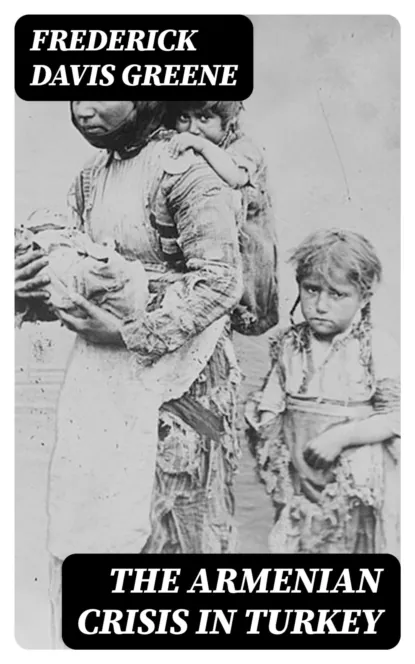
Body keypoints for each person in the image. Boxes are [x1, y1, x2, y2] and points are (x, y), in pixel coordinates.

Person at [15, 101, 244, 646]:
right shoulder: (90, 179)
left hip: (184, 388)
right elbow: (77, 276)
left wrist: (128, 332)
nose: (85, 109)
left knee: (174, 533)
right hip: (105, 382)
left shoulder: (185, 169)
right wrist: (29, 286)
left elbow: (220, 281)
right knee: (99, 526)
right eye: (77, 94)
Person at [245, 229, 400, 555]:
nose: (320, 305)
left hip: (352, 483)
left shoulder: (374, 346)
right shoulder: (289, 344)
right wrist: (276, 451)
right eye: (311, 290)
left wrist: (341, 437)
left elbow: (398, 416)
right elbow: (271, 404)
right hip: (300, 479)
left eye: (337, 294)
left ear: (364, 297)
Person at [164, 101, 279, 335]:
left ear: (228, 121)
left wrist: (200, 145)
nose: (193, 128)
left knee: (248, 317)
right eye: (184, 118)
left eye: (204, 119)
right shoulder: (188, 144)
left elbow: (234, 176)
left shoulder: (245, 148)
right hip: (212, 247)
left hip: (249, 250)